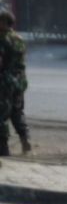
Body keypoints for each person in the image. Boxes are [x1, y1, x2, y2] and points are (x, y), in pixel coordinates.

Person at [0, 9, 30, 157]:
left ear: (5, 23)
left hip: (4, 83)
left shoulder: (2, 39)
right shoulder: (19, 38)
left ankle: (3, 149)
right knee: (17, 112)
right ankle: (25, 140)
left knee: (1, 115)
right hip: (19, 81)